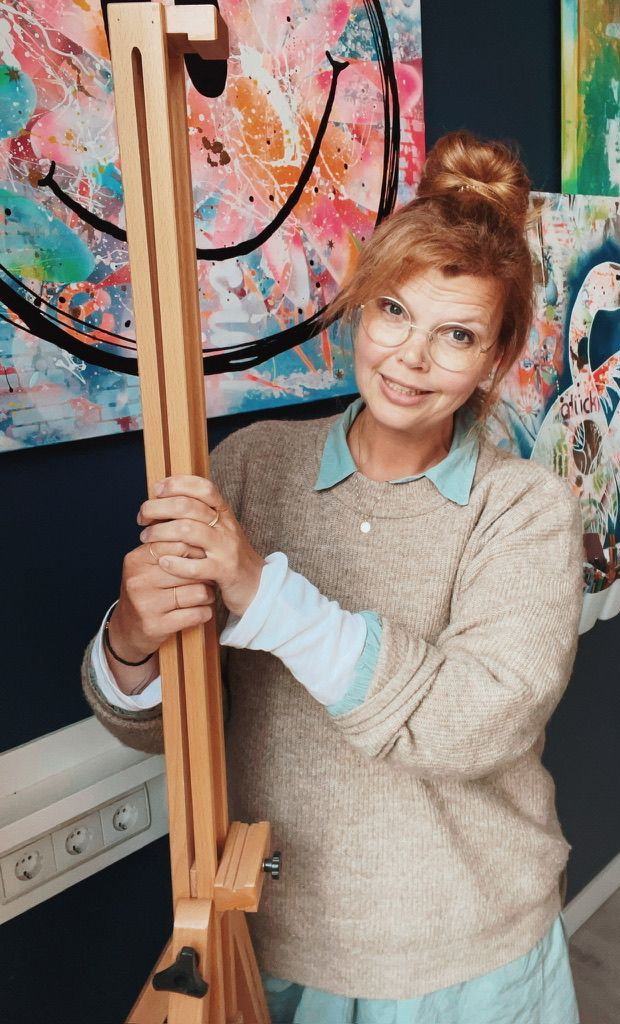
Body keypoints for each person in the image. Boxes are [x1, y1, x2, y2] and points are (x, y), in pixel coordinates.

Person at [82, 130, 584, 1023]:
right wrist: (130, 642)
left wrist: (265, 593)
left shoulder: (526, 508)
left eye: (457, 335)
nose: (410, 358)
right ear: (360, 305)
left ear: (496, 359)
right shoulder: (250, 469)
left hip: (468, 957)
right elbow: (173, 726)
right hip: (272, 940)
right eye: (393, 310)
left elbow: (475, 721)